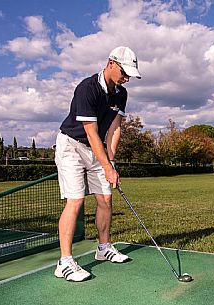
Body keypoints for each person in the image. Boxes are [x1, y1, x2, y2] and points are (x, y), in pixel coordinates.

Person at [53, 46, 141, 282]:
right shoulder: (87, 89)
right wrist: (108, 168)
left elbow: (115, 127)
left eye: (130, 74)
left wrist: (110, 161)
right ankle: (65, 262)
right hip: (71, 145)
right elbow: (91, 133)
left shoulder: (121, 93)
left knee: (105, 198)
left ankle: (103, 248)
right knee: (76, 201)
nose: (127, 78)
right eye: (124, 71)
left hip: (97, 149)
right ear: (111, 63)